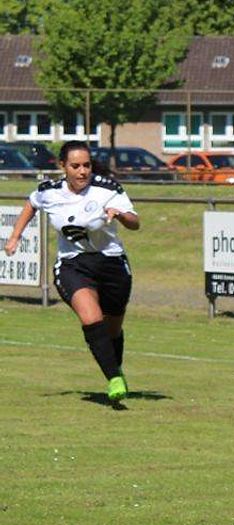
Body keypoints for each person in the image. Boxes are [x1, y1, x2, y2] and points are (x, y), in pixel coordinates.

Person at [4, 140, 140, 403]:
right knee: (91, 318)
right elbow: (32, 203)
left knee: (112, 330)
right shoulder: (50, 191)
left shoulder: (107, 189)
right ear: (63, 166)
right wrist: (15, 236)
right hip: (73, 265)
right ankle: (114, 378)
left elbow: (135, 223)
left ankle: (115, 369)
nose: (82, 171)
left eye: (86, 165)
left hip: (112, 264)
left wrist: (121, 215)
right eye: (75, 166)